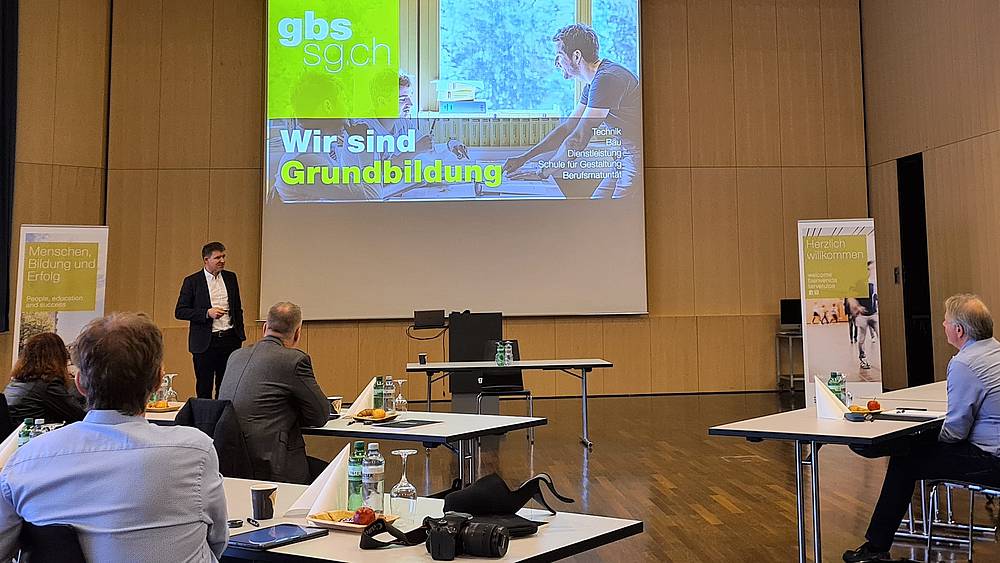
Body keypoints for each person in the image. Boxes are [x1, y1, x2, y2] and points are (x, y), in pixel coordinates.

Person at [0, 313, 228, 561]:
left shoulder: (25, 462)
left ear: (79, 383)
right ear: (157, 381)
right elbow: (217, 541)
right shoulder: (195, 451)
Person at [843, 294, 1000, 562]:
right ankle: (886, 445)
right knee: (915, 446)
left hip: (990, 460)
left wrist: (923, 439)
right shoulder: (994, 350)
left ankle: (876, 548)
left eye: (946, 321)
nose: (943, 325)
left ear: (959, 330)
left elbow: (956, 432)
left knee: (906, 461)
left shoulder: (964, 363)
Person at [503, 23, 641, 199]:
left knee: (610, 212)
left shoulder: (606, 79)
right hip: (623, 157)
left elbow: (578, 139)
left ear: (576, 56)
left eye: (559, 56)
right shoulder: (594, 83)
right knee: (597, 209)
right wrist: (524, 158)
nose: (556, 64)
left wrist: (542, 173)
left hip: (636, 158)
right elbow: (568, 128)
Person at [218, 301, 330, 484]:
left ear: (265, 327)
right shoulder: (294, 360)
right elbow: (320, 416)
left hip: (230, 463)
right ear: (297, 333)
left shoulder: (235, 356)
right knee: (336, 475)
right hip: (272, 465)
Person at [175, 241, 246, 399]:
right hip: (205, 342)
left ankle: (222, 415)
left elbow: (237, 307)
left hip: (229, 339)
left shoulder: (230, 278)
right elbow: (180, 311)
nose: (222, 261)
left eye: (223, 256)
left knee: (226, 385)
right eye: (217, 258)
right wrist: (207, 313)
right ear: (206, 260)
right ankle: (204, 415)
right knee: (204, 386)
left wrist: (240, 335)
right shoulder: (192, 281)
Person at [4, 332, 85, 423]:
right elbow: (80, 416)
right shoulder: (47, 385)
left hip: (17, 431)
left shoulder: (15, 383)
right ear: (59, 357)